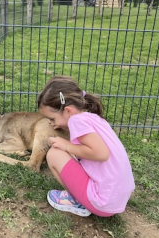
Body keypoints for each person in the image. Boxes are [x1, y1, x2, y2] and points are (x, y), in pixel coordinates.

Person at [37, 75, 135, 217]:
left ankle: (76, 201)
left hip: (102, 203)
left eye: (52, 118)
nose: (51, 123)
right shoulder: (93, 118)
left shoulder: (76, 121)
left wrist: (66, 145)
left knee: (54, 154)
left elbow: (101, 153)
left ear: (68, 111)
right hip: (116, 198)